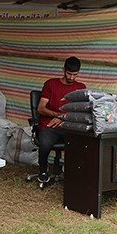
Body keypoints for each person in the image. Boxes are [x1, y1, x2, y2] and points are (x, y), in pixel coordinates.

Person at [36, 56, 86, 184]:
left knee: (82, 143)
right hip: (49, 126)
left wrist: (63, 118)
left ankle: (73, 171)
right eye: (69, 74)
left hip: (69, 126)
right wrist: (58, 115)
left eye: (74, 75)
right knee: (45, 143)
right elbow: (41, 108)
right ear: (63, 70)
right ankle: (43, 170)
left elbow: (81, 111)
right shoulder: (51, 84)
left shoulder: (81, 87)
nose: (71, 78)